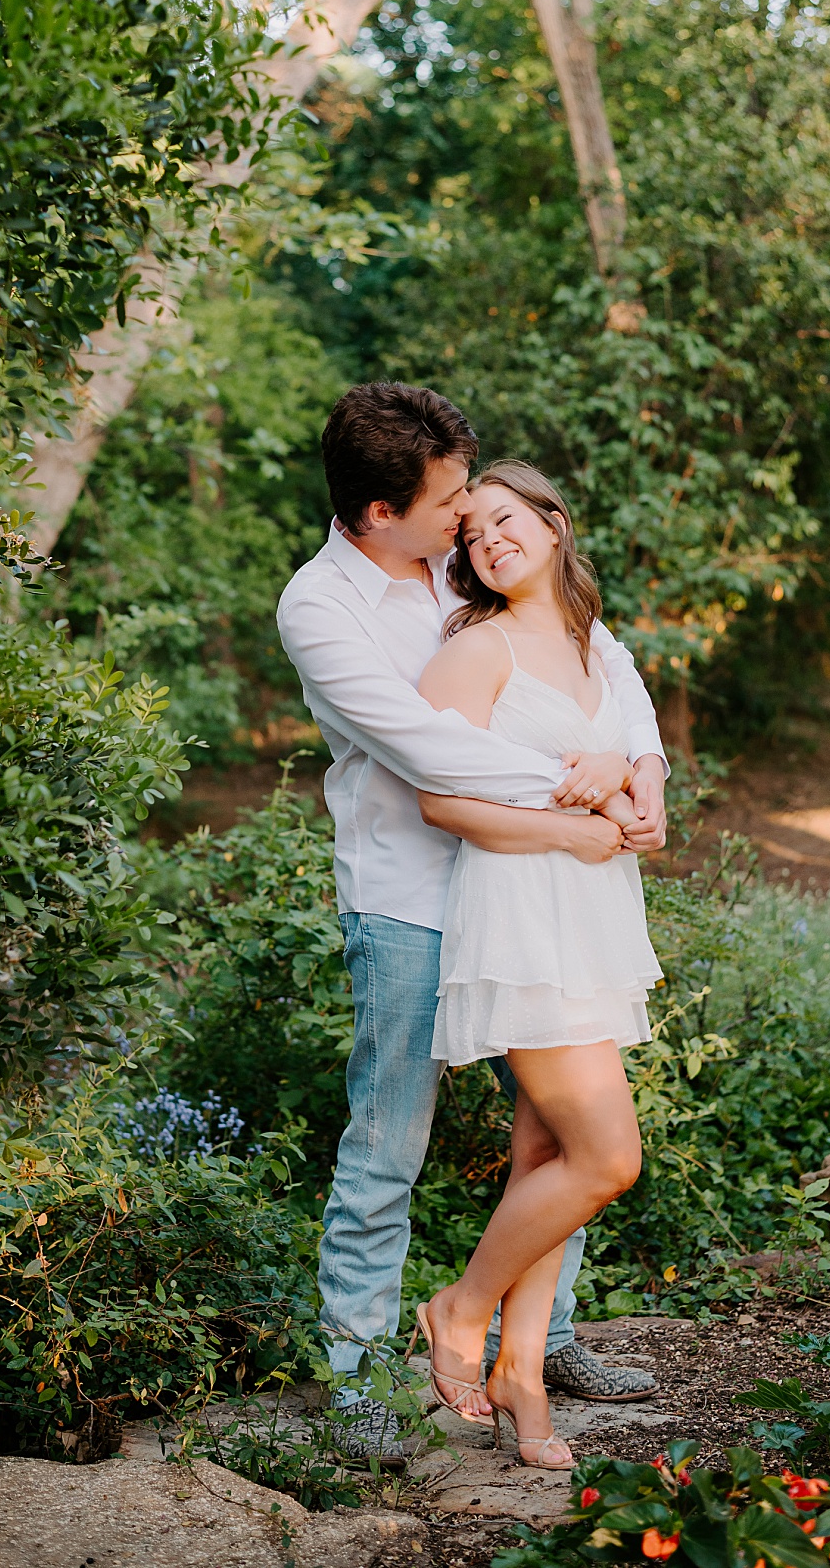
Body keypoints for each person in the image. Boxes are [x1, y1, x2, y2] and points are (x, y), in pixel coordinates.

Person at [274, 382, 667, 1466]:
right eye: (449, 498)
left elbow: (591, 658)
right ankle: (359, 1373)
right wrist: (581, 791)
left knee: (554, 1135)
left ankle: (546, 1342)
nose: (467, 515)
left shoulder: (465, 556)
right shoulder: (322, 607)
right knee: (388, 1140)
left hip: (528, 899)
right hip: (412, 901)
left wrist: (640, 765)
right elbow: (428, 753)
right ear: (375, 511)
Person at [408, 462, 661, 1466]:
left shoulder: (599, 645)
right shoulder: (478, 648)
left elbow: (648, 785)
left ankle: (521, 1380)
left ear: (554, 524)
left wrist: (630, 787)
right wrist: (569, 830)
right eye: (470, 535)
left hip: (596, 916)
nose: (487, 541)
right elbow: (436, 798)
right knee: (608, 1157)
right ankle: (461, 1308)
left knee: (548, 1161)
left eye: (504, 520)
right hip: (524, 916)